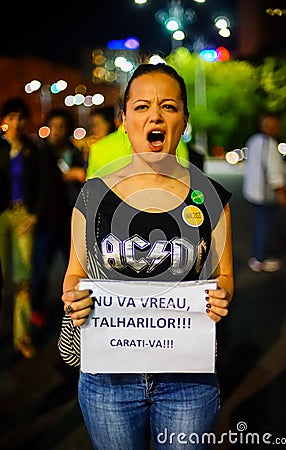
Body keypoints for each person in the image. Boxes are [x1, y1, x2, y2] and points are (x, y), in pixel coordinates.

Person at [59, 63, 234, 449]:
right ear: (124, 120)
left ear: (184, 121)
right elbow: (74, 276)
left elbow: (225, 277)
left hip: (188, 381)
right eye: (141, 106)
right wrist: (73, 298)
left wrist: (221, 297)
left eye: (168, 106)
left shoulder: (212, 199)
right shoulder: (91, 197)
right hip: (108, 382)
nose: (155, 115)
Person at [30, 108, 86, 327]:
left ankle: (73, 311)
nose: (56, 131)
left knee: (74, 270)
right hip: (48, 219)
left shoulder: (75, 153)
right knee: (41, 269)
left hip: (71, 218)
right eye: (53, 127)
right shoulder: (41, 154)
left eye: (61, 127)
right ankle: (38, 309)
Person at [0, 97, 40, 358]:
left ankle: (22, 336)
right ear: (4, 120)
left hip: (23, 214)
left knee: (22, 280)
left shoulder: (33, 151)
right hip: (1, 215)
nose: (16, 123)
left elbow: (43, 185)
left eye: (20, 118)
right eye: (11, 117)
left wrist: (35, 215)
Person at [242, 113, 286, 272]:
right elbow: (275, 173)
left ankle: (258, 256)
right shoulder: (270, 145)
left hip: (252, 192)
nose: (277, 127)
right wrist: (282, 194)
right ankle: (260, 258)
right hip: (264, 194)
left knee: (260, 224)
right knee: (265, 226)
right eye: (274, 124)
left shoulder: (254, 141)